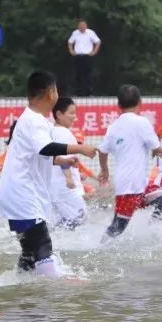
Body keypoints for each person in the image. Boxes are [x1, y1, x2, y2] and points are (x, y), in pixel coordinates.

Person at [0, 71, 98, 276]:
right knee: (43, 244)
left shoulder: (30, 118)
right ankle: (57, 284)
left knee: (29, 251)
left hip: (16, 194)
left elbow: (36, 154)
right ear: (51, 93)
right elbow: (45, 148)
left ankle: (21, 286)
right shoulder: (35, 120)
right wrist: (79, 148)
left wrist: (61, 160)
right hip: (24, 195)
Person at [98, 84, 162, 240]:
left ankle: (151, 234)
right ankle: (99, 246)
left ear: (118, 104)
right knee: (118, 227)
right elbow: (156, 147)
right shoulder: (142, 122)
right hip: (130, 186)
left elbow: (102, 151)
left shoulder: (113, 127)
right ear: (140, 102)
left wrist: (104, 170)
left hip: (138, 183)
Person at [49, 97, 90, 230]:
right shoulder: (63, 133)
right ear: (59, 114)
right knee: (81, 216)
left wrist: (76, 175)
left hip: (56, 187)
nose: (74, 117)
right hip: (64, 187)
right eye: (71, 113)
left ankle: (55, 239)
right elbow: (62, 157)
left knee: (65, 220)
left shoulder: (52, 131)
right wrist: (69, 177)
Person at [67, 19, 102, 96]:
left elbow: (98, 42)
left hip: (87, 56)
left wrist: (94, 51)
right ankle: (78, 93)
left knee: (89, 75)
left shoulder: (90, 33)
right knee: (78, 75)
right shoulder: (75, 33)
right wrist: (71, 51)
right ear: (78, 26)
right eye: (81, 26)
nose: (82, 27)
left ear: (86, 26)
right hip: (78, 56)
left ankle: (89, 93)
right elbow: (70, 42)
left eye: (83, 25)